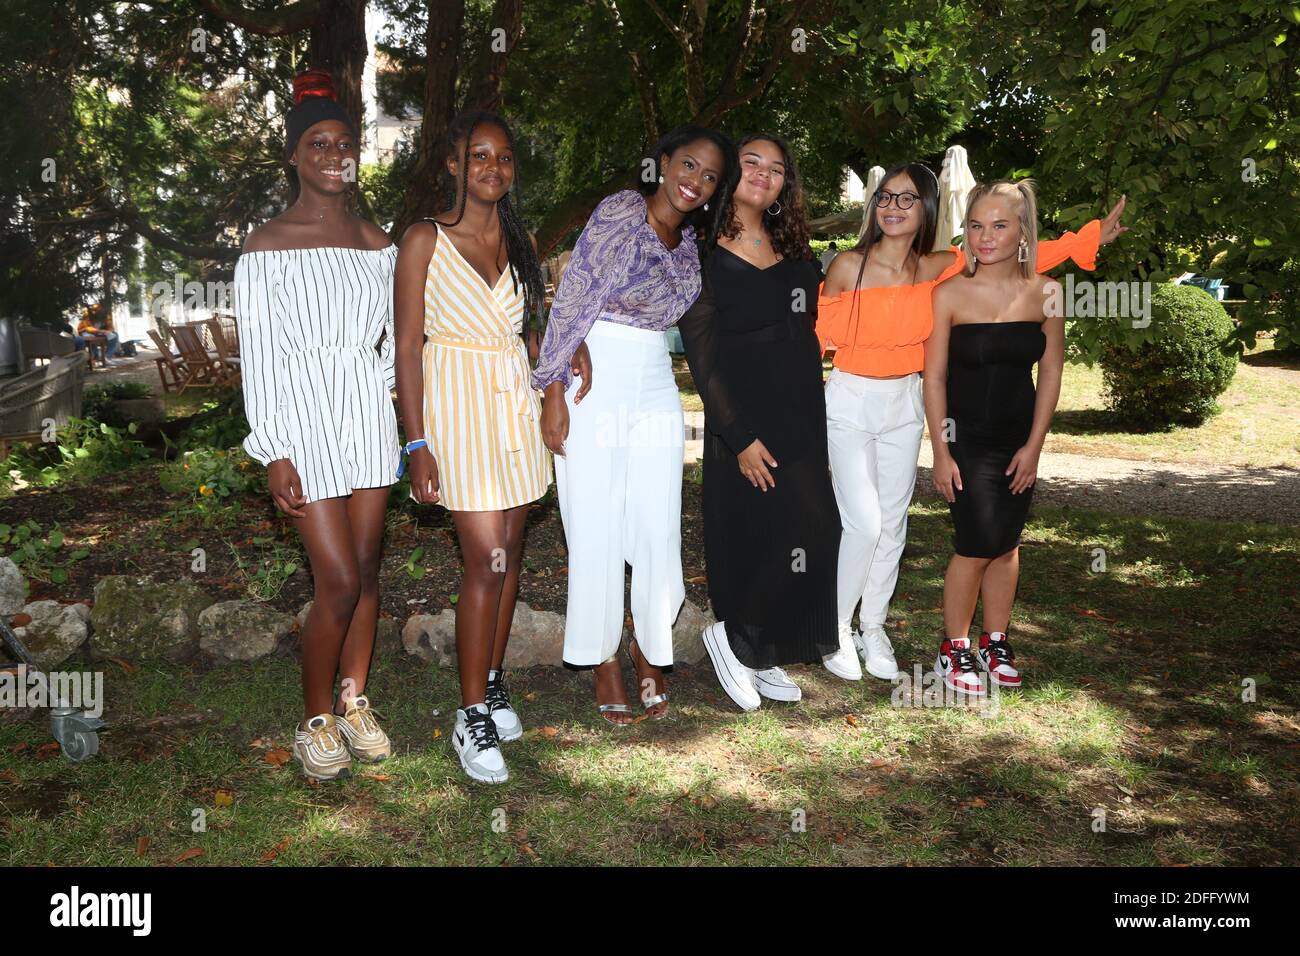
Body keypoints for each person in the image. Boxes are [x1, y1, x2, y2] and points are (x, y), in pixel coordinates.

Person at [817, 163, 1125, 684]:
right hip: (851, 399)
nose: (893, 208)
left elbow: (1014, 256)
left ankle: (873, 625)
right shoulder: (850, 266)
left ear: (928, 211)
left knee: (893, 523)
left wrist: (1086, 239)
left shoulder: (940, 267)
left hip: (904, 404)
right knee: (864, 523)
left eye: (907, 199)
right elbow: (813, 341)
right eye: (885, 198)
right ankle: (837, 629)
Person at [534, 126, 737, 724]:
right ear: (663, 163)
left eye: (708, 177)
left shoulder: (693, 241)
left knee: (657, 524)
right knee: (593, 522)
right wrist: (552, 387)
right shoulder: (622, 209)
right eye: (688, 165)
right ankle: (602, 660)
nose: (695, 182)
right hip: (593, 373)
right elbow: (576, 292)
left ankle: (652, 650)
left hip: (654, 380)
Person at [394, 110, 572, 785]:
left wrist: (554, 380)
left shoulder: (520, 240)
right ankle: (470, 715)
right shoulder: (422, 240)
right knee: (484, 564)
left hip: (515, 410)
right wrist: (416, 442)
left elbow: (533, 333)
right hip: (456, 414)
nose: (492, 169)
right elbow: (407, 349)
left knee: (513, 550)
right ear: (452, 164)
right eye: (478, 157)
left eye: (503, 158)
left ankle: (492, 680)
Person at [235, 69, 399, 782]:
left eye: (344, 142)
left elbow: (396, 342)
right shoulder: (266, 244)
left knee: (365, 573)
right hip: (302, 420)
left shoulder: (378, 241)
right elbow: (261, 354)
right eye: (318, 143)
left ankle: (356, 699)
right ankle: (315, 719)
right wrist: (272, 448)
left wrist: (394, 398)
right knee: (334, 580)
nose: (334, 153)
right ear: (295, 157)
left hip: (366, 415)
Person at [679, 132, 839, 710]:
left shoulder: (792, 244)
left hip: (799, 403)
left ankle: (763, 647)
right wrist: (737, 434)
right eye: (752, 163)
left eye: (776, 168)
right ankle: (733, 635)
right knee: (752, 530)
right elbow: (702, 353)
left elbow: (809, 328)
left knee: (813, 529)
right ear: (729, 173)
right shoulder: (699, 247)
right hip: (742, 412)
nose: (764, 174)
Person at [924, 180, 1074, 694]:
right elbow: (935, 378)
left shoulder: (1049, 292)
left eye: (1000, 225)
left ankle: (995, 639)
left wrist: (1034, 447)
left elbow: (1051, 372)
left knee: (1007, 543)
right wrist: (940, 451)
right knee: (975, 541)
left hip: (1018, 437)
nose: (985, 237)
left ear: (1024, 231)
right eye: (976, 225)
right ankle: (955, 647)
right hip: (964, 439)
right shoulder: (948, 293)